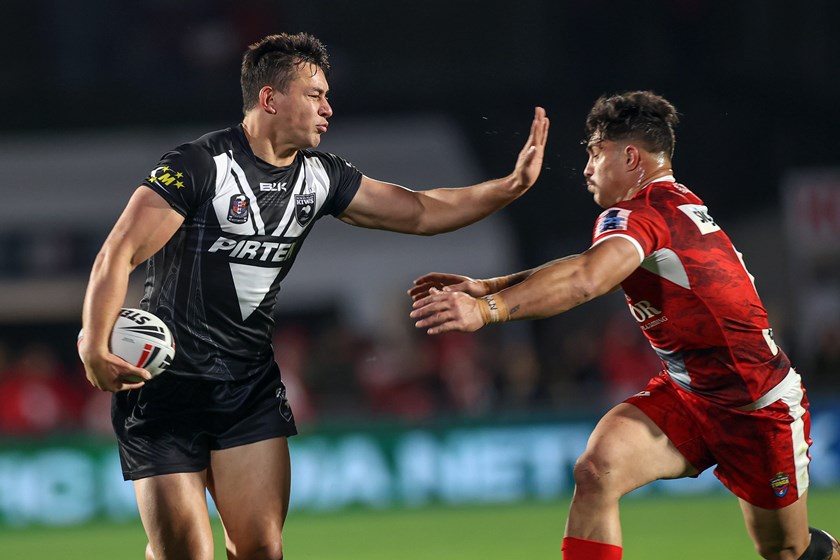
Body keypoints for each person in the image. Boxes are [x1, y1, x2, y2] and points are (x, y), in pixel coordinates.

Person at [77, 32, 549, 560]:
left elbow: (419, 210)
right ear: (270, 99)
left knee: (261, 549)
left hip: (245, 388)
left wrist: (509, 187)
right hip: (164, 390)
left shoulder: (322, 177)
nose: (328, 108)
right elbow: (116, 253)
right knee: (187, 555)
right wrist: (94, 344)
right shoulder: (198, 165)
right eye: (315, 95)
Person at [409, 90, 839, 560]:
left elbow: (587, 278)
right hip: (688, 395)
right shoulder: (665, 207)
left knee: (789, 552)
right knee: (597, 470)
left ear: (630, 156)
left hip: (755, 405)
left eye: (595, 153)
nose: (588, 169)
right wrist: (490, 285)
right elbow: (592, 263)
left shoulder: (644, 213)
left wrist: (488, 310)